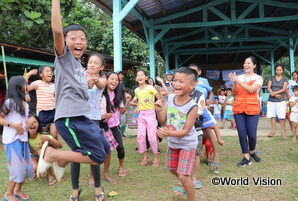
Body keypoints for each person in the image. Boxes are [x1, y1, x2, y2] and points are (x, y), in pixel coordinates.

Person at [38, 1, 109, 200]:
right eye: (73, 38)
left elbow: (76, 88)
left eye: (82, 38)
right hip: (69, 118)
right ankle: (54, 155)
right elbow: (57, 33)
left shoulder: (78, 66)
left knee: (104, 148)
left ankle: (61, 161)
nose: (79, 41)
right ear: (65, 41)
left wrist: (85, 84)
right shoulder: (64, 57)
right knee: (97, 157)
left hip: (83, 117)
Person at [155, 67, 198, 201]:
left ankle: (191, 196)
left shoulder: (192, 106)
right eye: (175, 80)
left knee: (182, 176)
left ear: (192, 85)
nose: (176, 84)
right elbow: (163, 121)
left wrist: (168, 134)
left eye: (181, 81)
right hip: (174, 143)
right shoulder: (172, 97)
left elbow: (186, 131)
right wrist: (159, 109)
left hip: (187, 144)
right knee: (172, 169)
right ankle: (187, 183)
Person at [70, 52, 109, 200]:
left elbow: (101, 85)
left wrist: (94, 80)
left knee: (95, 153)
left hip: (93, 120)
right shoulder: (79, 74)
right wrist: (85, 80)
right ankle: (75, 189)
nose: (92, 64)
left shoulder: (103, 78)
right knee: (75, 154)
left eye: (96, 63)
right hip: (76, 118)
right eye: (90, 62)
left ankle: (97, 187)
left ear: (101, 67)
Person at [0, 76, 34, 201]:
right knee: (17, 168)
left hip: (23, 139)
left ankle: (17, 190)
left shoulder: (25, 103)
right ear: (18, 87)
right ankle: (8, 194)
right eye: (25, 84)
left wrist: (31, 122)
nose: (27, 87)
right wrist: (12, 125)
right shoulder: (10, 102)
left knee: (25, 167)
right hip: (12, 140)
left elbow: (25, 120)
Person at [228, 56, 263, 167]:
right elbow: (234, 92)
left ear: (254, 65)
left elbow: (251, 89)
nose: (246, 65)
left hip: (252, 109)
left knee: (252, 135)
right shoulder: (239, 77)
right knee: (242, 133)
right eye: (245, 63)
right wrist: (234, 82)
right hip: (239, 109)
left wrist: (237, 80)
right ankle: (246, 156)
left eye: (248, 63)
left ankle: (252, 151)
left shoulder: (258, 78)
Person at [189, 64, 220, 174]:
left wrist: (210, 99)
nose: (192, 72)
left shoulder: (203, 81)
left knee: (208, 130)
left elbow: (211, 91)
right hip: (190, 107)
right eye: (190, 70)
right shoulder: (187, 80)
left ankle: (215, 155)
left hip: (202, 107)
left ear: (199, 72)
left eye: (194, 71)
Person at [102, 72, 132, 183]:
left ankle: (121, 167)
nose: (114, 81)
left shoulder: (118, 94)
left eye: (117, 80)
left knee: (120, 147)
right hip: (103, 125)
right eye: (112, 79)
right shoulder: (101, 93)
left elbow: (122, 111)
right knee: (105, 150)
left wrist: (127, 101)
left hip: (115, 125)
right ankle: (104, 173)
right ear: (106, 80)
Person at [130, 70, 162, 167]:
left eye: (142, 75)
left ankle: (156, 157)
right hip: (141, 115)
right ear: (136, 78)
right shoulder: (136, 90)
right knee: (140, 136)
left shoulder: (150, 88)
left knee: (152, 137)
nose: (140, 77)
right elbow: (133, 101)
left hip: (151, 114)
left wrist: (159, 93)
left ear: (146, 77)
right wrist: (137, 106)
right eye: (138, 75)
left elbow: (160, 98)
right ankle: (145, 155)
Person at [28, 115, 62, 186]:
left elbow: (60, 145)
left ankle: (50, 175)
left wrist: (49, 139)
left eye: (35, 122)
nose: (32, 124)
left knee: (42, 153)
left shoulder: (43, 134)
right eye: (29, 122)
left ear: (39, 123)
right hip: (33, 156)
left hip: (45, 155)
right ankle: (36, 170)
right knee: (34, 168)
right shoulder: (24, 137)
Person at [26, 65, 59, 139]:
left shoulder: (54, 85)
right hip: (42, 113)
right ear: (41, 75)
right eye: (47, 71)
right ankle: (43, 150)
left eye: (51, 71)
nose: (50, 73)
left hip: (53, 111)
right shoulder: (38, 83)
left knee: (54, 134)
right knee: (42, 135)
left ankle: (54, 150)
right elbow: (26, 88)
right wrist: (28, 75)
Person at [267, 64, 288, 139]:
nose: (278, 71)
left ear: (282, 71)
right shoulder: (271, 78)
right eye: (277, 70)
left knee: (282, 116)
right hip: (271, 100)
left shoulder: (285, 79)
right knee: (272, 116)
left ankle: (283, 132)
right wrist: (274, 95)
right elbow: (268, 87)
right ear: (275, 70)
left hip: (281, 100)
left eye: (280, 70)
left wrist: (274, 93)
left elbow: (284, 89)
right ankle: (273, 131)